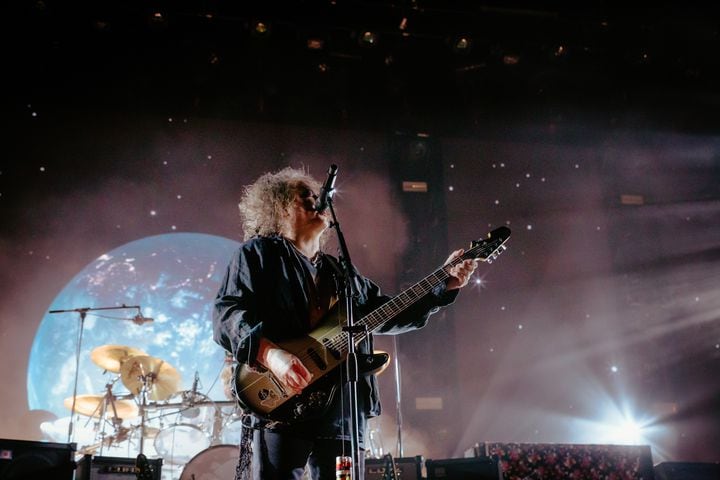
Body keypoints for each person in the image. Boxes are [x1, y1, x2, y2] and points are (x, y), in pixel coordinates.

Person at [212, 167, 477, 480]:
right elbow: (227, 313)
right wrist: (272, 354)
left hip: (342, 405)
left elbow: (387, 312)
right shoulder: (257, 255)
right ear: (280, 208)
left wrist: (441, 285)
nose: (318, 202)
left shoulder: (341, 273)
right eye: (306, 198)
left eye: (317, 197)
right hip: (281, 398)